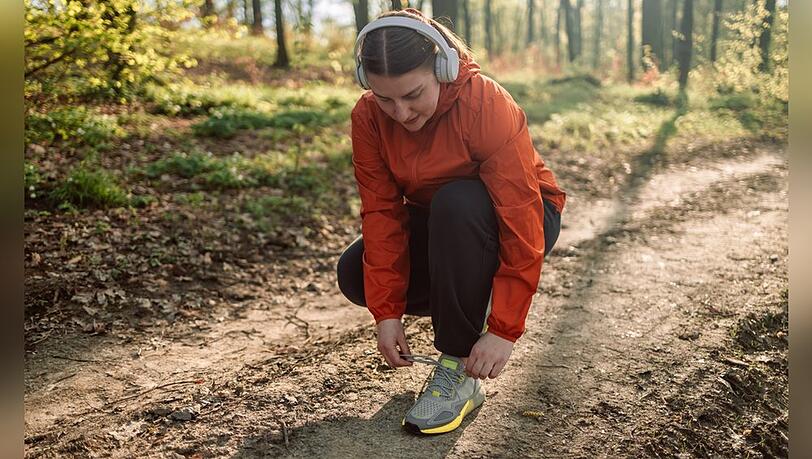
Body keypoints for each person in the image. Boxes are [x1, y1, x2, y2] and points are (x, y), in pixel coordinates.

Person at [336, 8, 566, 435]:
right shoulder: (368, 118)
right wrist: (386, 314)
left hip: (525, 215)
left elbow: (520, 218)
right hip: (447, 223)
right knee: (354, 273)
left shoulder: (485, 103)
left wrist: (504, 330)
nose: (400, 113)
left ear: (442, 67)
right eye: (385, 98)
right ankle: (465, 299)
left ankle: (458, 368)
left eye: (413, 94)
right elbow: (383, 215)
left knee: (456, 202)